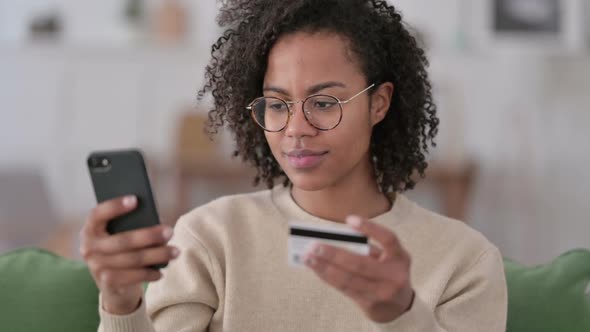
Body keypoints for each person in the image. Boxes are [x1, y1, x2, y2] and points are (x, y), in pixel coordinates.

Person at [81, 0, 507, 331]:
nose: (296, 129)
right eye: (277, 104)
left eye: (323, 103)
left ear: (379, 104)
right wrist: (120, 303)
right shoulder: (213, 237)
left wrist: (401, 314)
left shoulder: (463, 261)